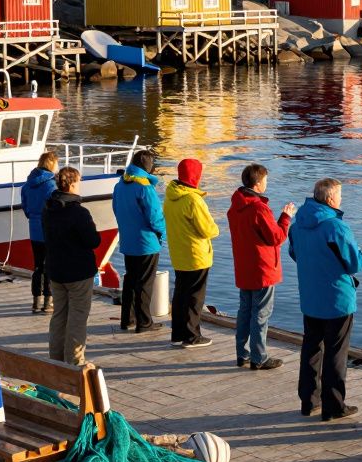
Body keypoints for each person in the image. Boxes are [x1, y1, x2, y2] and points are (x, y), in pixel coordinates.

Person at [288, 178, 362, 421]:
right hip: (337, 300)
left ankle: (309, 401)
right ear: (331, 199)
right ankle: (333, 405)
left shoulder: (297, 224)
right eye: (340, 196)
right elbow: (355, 263)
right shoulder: (336, 227)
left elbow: (294, 253)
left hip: (310, 297)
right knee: (336, 354)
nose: (341, 200)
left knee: (311, 349)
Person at [229, 164, 296, 370]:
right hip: (263, 268)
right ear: (258, 183)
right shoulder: (259, 208)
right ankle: (259, 357)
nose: (267, 183)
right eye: (265, 179)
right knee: (261, 313)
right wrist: (286, 218)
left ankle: (243, 353)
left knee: (245, 311)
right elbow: (276, 237)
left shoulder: (235, 206)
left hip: (244, 266)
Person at [42, 167, 101, 365]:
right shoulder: (79, 212)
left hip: (56, 270)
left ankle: (56, 359)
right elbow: (93, 241)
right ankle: (75, 362)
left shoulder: (48, 209)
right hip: (78, 272)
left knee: (59, 315)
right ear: (73, 183)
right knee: (77, 317)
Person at [165, 158, 219, 349]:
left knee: (180, 295)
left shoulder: (170, 197)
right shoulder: (194, 200)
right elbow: (208, 230)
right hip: (196, 255)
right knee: (195, 297)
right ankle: (192, 336)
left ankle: (177, 334)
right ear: (196, 176)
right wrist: (216, 229)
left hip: (178, 253)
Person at [114, 150, 166, 333]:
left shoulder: (120, 184)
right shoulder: (144, 187)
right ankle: (144, 322)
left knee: (130, 279)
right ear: (148, 167)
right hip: (146, 242)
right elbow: (155, 217)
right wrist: (162, 234)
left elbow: (115, 208)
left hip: (128, 240)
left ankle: (127, 319)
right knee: (144, 282)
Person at [21, 151, 58, 314]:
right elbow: (55, 208)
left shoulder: (28, 185)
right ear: (51, 164)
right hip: (48, 229)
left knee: (38, 266)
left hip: (34, 228)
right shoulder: (51, 185)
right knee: (49, 265)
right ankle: (48, 301)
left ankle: (36, 300)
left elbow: (26, 207)